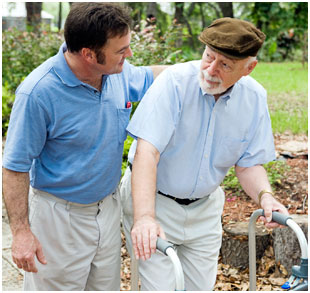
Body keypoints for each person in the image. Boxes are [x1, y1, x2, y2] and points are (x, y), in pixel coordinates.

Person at [2, 2, 167, 291]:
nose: (129, 55)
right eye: (121, 50)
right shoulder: (38, 92)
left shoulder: (118, 73)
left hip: (107, 208)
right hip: (59, 219)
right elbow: (14, 167)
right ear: (89, 54)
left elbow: (156, 76)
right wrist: (21, 232)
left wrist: (206, 67)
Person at [120, 17, 289, 291]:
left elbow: (248, 165)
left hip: (205, 208)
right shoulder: (174, 83)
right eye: (208, 57)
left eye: (225, 65)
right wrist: (145, 218)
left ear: (249, 67)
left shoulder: (254, 98)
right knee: (160, 288)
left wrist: (266, 196)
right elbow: (146, 154)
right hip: (155, 202)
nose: (210, 70)